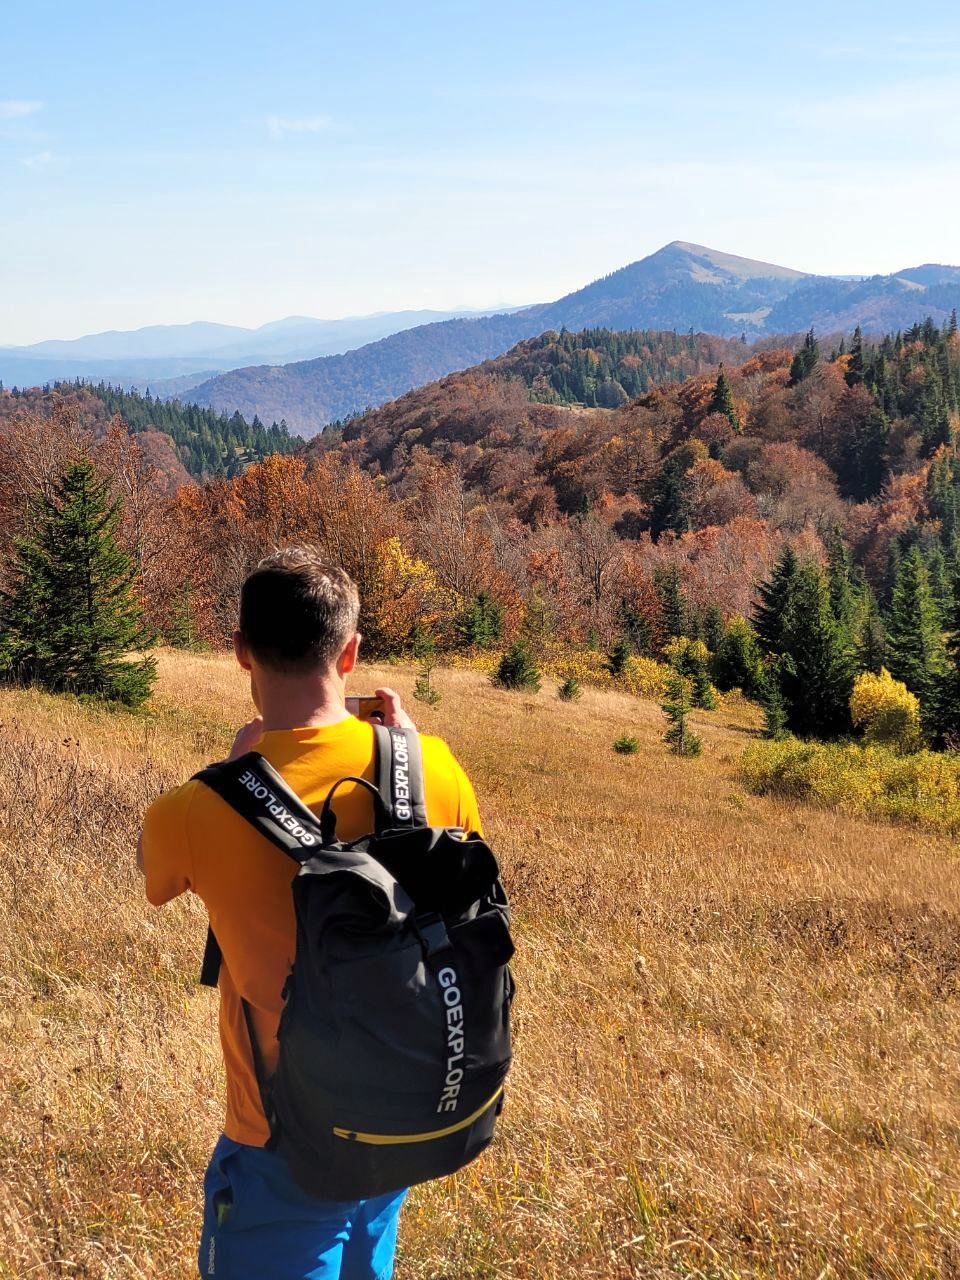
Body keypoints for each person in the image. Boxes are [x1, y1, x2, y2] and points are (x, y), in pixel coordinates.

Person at [138, 546, 483, 1280]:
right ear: (351, 652)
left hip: (280, 1141)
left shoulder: (201, 808)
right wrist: (409, 752)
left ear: (240, 653)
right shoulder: (437, 768)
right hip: (397, 1116)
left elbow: (155, 879)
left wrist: (237, 774)